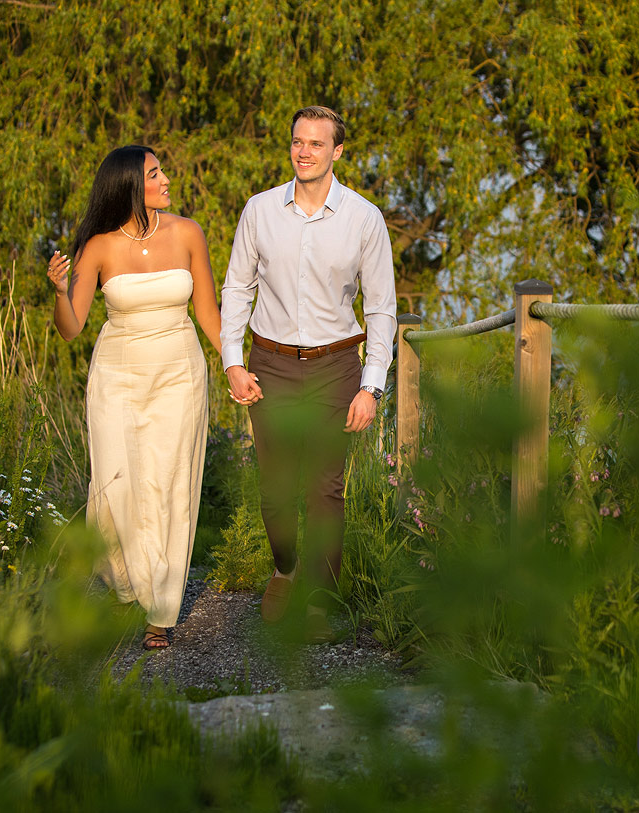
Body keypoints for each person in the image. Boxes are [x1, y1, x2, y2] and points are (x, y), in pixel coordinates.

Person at [220, 105, 397, 643]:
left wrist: (371, 386)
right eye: (298, 141)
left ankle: (320, 600)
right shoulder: (259, 210)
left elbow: (381, 308)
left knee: (325, 489)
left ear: (337, 151)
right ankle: (286, 570)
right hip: (270, 363)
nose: (304, 152)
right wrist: (232, 360)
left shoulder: (364, 219)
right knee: (276, 487)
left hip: (335, 366)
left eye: (316, 144)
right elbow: (237, 287)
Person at [46, 145, 223, 650]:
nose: (166, 180)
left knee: (170, 484)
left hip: (178, 373)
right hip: (117, 376)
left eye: (162, 171)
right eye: (154, 174)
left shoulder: (187, 233)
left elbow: (207, 312)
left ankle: (160, 611)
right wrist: (59, 291)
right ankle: (127, 582)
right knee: (117, 486)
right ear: (129, 185)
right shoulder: (98, 246)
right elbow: (71, 328)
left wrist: (235, 367)